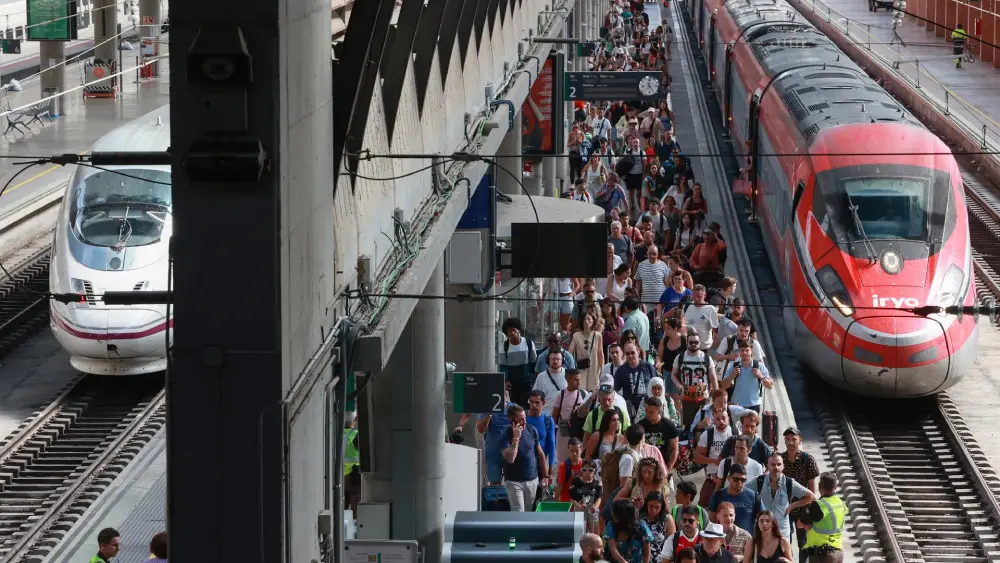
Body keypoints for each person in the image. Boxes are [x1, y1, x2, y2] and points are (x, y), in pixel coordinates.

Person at [501, 404, 551, 511]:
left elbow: (541, 454)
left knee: (528, 513)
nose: (525, 422)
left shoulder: (531, 430)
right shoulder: (505, 435)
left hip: (531, 479)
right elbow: (510, 458)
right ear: (512, 420)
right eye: (521, 419)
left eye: (525, 418)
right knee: (518, 512)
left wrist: (546, 475)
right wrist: (516, 438)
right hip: (514, 481)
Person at [797, 473, 847, 563]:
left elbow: (799, 524)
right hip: (838, 553)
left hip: (823, 555)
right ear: (835, 487)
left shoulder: (819, 505)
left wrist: (806, 525)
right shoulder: (841, 503)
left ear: (819, 486)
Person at [606, 499, 655, 563]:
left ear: (623, 515)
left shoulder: (641, 526)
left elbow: (646, 552)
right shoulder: (611, 525)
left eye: (614, 512)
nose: (611, 513)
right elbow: (612, 548)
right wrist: (622, 561)